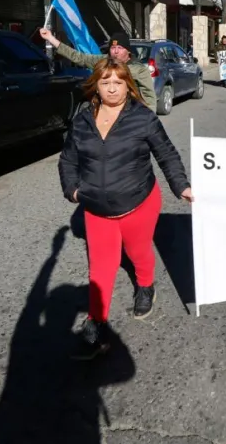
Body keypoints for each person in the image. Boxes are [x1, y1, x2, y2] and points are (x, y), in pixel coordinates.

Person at [58, 59, 194, 360]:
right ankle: (96, 322)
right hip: (96, 208)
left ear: (127, 85)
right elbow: (68, 160)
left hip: (139, 202)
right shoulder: (82, 120)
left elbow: (167, 154)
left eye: (118, 82)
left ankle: (145, 286)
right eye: (105, 82)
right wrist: (74, 191)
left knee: (137, 251)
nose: (111, 88)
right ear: (96, 85)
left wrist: (181, 186)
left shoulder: (142, 117)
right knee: (101, 267)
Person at [40, 27, 156, 111]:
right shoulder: (103, 61)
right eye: (113, 48)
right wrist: (51, 38)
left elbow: (149, 98)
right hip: (105, 112)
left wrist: (149, 122)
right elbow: (79, 57)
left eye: (120, 48)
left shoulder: (139, 70)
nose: (115, 51)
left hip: (130, 114)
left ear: (128, 51)